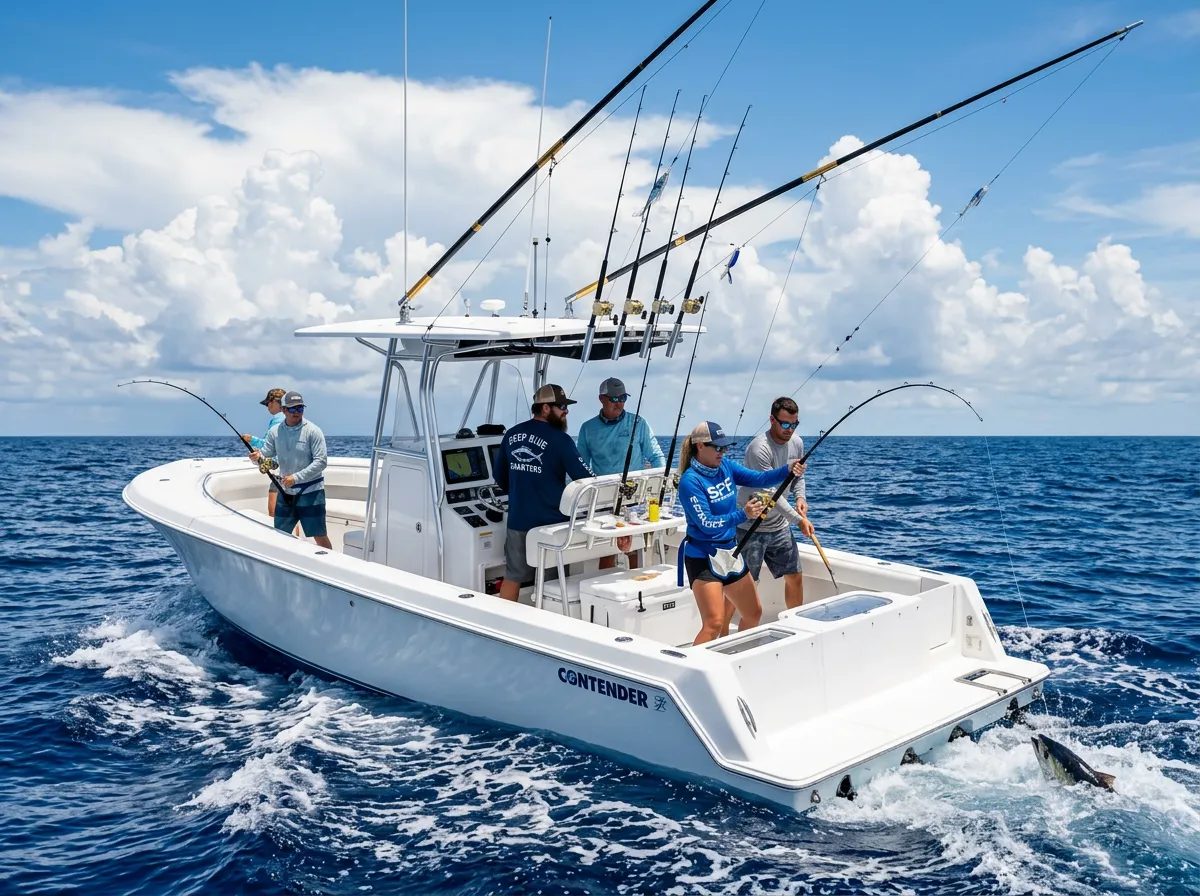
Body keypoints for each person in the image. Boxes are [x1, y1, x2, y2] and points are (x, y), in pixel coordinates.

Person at [676, 421, 805, 645]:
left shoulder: (725, 466)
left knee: (753, 613)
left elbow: (759, 479)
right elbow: (706, 524)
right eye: (717, 447)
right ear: (699, 446)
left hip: (730, 553)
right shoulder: (690, 481)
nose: (722, 452)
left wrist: (788, 469)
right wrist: (743, 515)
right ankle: (692, 669)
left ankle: (738, 655)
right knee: (714, 624)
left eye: (724, 447)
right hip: (703, 557)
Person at [493, 384, 594, 601]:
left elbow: (499, 476)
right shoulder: (561, 440)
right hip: (550, 525)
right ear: (546, 408)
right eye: (562, 407)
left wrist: (522, 495)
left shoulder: (511, 434)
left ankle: (500, 624)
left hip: (518, 520)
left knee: (513, 577)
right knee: (551, 583)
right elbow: (585, 479)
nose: (566, 411)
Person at [575, 376, 666, 569]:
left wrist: (658, 489)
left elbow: (656, 457)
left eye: (623, 398)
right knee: (606, 549)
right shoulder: (587, 428)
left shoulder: (638, 423)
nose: (619, 403)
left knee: (634, 550)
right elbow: (580, 468)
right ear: (601, 399)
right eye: (614, 399)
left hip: (633, 497)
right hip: (602, 499)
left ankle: (637, 589)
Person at [736, 397, 814, 609]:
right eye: (785, 424)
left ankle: (795, 625)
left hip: (779, 525)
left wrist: (800, 497)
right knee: (742, 586)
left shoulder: (797, 442)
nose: (790, 429)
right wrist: (798, 521)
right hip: (750, 527)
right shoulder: (758, 449)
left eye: (794, 424)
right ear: (772, 420)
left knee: (794, 575)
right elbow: (770, 493)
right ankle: (723, 634)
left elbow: (797, 476)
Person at [249, 390, 332, 549]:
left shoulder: (313, 431)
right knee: (279, 535)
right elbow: (266, 453)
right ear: (284, 410)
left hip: (311, 492)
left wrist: (296, 478)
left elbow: (321, 462)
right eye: (292, 409)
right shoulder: (275, 432)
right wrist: (256, 457)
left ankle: (334, 566)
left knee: (319, 535)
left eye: (300, 408)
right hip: (286, 492)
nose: (296, 412)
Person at [242, 388, 286, 515]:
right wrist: (252, 440)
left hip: (280, 474)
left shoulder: (278, 418)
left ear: (273, 402)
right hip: (293, 470)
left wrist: (255, 449)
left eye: (268, 403)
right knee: (290, 516)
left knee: (275, 514)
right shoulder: (291, 418)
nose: (268, 407)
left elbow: (269, 445)